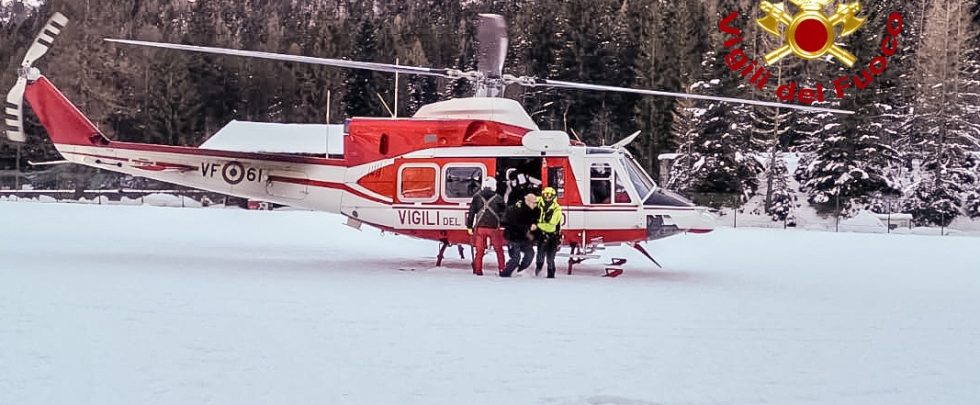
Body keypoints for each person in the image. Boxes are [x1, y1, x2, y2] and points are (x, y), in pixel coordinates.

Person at [466, 177, 506, 276]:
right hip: (493, 228)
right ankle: (502, 269)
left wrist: (469, 227)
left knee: (479, 251)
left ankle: (478, 270)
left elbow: (471, 213)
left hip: (480, 228)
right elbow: (503, 213)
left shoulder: (476, 197)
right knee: (499, 250)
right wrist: (503, 223)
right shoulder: (498, 198)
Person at [501, 192, 540, 277]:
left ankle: (519, 270)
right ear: (528, 201)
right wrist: (529, 226)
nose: (535, 204)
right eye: (534, 202)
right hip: (513, 237)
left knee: (530, 254)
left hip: (524, 238)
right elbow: (513, 223)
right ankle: (505, 274)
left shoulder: (534, 210)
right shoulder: (516, 210)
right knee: (515, 258)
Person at [534, 187, 563, 278]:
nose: (547, 198)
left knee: (550, 258)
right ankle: (538, 271)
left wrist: (538, 224)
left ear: (553, 196)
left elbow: (551, 224)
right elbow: (529, 199)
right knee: (540, 255)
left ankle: (551, 274)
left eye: (549, 195)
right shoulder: (539, 203)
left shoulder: (557, 209)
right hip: (541, 235)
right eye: (545, 195)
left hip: (552, 236)